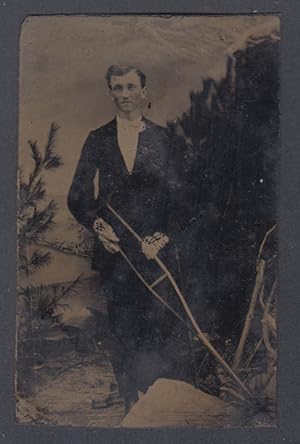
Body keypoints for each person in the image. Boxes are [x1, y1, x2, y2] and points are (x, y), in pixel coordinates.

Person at [67, 65, 186, 412]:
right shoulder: (97, 138)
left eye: (131, 86)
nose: (124, 94)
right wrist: (99, 228)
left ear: (143, 91)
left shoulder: (165, 140)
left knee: (156, 326)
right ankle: (130, 401)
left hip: (153, 252)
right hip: (115, 251)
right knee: (122, 328)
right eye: (117, 87)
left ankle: (155, 399)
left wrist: (163, 237)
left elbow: (180, 199)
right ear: (110, 92)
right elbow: (78, 195)